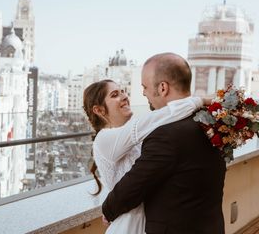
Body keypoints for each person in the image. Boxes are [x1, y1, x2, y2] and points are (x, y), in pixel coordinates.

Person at [101, 53, 227, 234]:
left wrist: (108, 210)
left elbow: (134, 185)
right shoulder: (211, 124)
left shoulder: (166, 135)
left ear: (162, 88)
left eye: (145, 87)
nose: (143, 93)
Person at [83, 76, 206, 233]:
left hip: (155, 219)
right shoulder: (103, 139)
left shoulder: (137, 136)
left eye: (122, 91)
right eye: (115, 95)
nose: (124, 96)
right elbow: (156, 118)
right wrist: (199, 101)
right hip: (131, 225)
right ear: (99, 110)